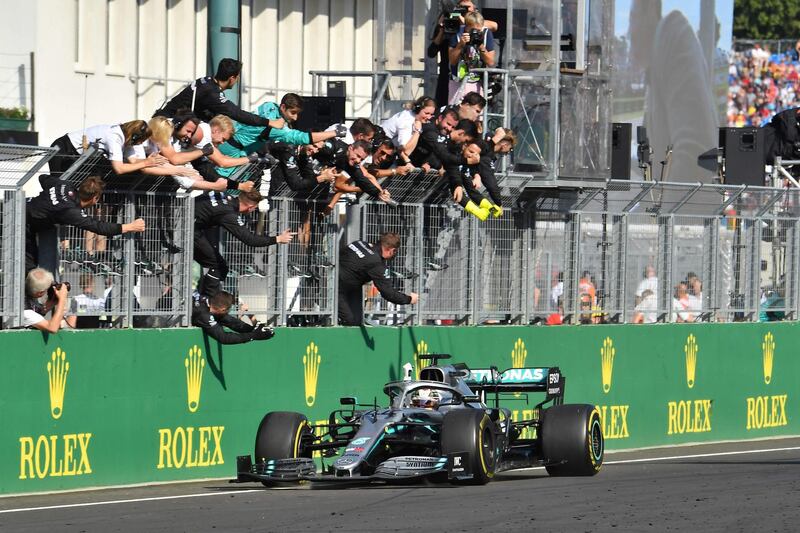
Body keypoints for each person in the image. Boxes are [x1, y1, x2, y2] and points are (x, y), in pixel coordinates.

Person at [26, 175, 146, 274]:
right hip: (23, 225)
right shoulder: (71, 211)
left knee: (33, 264)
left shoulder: (64, 185)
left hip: (25, 210)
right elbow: (98, 226)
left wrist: (49, 198)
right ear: (95, 198)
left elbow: (43, 178)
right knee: (28, 267)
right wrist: (130, 227)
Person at [193, 189, 294, 298]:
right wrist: (278, 239)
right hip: (190, 229)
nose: (254, 210)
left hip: (188, 221)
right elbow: (250, 239)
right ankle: (208, 303)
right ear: (250, 207)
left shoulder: (225, 195)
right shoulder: (229, 213)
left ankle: (203, 297)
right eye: (255, 208)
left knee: (217, 264)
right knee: (218, 265)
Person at [154, 58, 283, 130]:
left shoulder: (206, 81)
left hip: (163, 121)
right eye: (237, 77)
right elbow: (237, 113)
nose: (237, 80)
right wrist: (269, 122)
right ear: (232, 78)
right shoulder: (212, 93)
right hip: (166, 128)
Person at [337, 232, 419, 326]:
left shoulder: (359, 243)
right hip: (337, 290)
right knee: (350, 321)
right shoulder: (377, 264)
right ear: (392, 250)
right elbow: (388, 293)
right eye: (395, 251)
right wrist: (409, 299)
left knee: (357, 320)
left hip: (338, 282)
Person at [49, 120, 166, 176]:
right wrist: (146, 163)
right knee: (57, 187)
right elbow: (119, 169)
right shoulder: (115, 137)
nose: (138, 145)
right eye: (139, 142)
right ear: (134, 137)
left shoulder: (126, 136)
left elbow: (133, 161)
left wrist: (149, 160)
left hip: (75, 154)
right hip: (64, 149)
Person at [191, 290, 274, 345]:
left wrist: (256, 328)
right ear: (223, 309)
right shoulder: (204, 315)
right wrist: (254, 336)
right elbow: (224, 338)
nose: (228, 312)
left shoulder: (211, 301)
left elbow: (232, 322)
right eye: (228, 309)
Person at [448, 11, 496, 105]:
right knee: (456, 112)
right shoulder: (457, 34)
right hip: (458, 81)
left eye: (479, 30)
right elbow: (452, 61)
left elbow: (490, 62)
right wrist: (460, 45)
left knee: (475, 113)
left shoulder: (486, 34)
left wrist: (481, 46)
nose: (476, 33)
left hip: (477, 81)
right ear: (466, 27)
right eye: (473, 30)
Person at [380, 96, 437, 162]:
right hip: (378, 150)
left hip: (386, 148)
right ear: (418, 110)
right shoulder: (407, 120)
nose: (429, 117)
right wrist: (418, 131)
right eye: (426, 113)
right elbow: (406, 151)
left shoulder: (413, 117)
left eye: (431, 114)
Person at [23, 268, 69, 333]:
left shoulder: (25, 292)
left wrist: (46, 308)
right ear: (40, 293)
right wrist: (62, 299)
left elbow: (35, 316)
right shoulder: (26, 311)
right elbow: (52, 328)